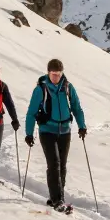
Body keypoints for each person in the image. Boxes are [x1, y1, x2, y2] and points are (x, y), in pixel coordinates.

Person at [25, 58, 87, 209]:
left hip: (65, 131)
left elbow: (76, 108)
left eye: (58, 74)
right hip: (47, 131)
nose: (56, 77)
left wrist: (82, 126)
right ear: (48, 73)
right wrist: (29, 133)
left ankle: (58, 197)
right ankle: (57, 200)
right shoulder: (41, 89)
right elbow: (31, 112)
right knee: (54, 164)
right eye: (53, 74)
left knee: (62, 166)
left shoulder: (68, 87)